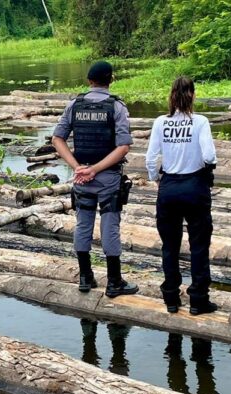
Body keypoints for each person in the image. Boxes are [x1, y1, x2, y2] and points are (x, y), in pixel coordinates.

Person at [52, 61, 138, 298]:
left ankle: (85, 277)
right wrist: (95, 169)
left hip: (82, 179)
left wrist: (78, 167)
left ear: (89, 80)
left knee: (83, 224)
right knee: (110, 226)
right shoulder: (117, 107)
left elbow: (57, 139)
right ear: (111, 80)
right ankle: (114, 282)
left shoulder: (74, 105)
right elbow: (123, 147)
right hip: (108, 177)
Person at [145, 77, 217, 315]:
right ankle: (198, 299)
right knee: (199, 244)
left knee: (170, 245)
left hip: (169, 186)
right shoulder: (200, 122)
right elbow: (209, 156)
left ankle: (171, 298)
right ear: (193, 95)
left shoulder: (160, 122)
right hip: (194, 185)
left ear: (171, 96)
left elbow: (150, 157)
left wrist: (156, 178)